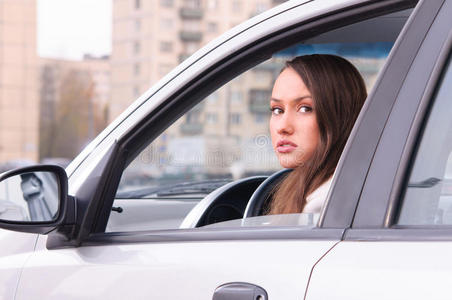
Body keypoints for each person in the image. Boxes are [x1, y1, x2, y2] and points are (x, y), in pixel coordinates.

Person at [268, 54, 367, 215]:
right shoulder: (306, 185)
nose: (283, 127)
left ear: (341, 114)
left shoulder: (324, 205)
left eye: (305, 108)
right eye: (277, 110)